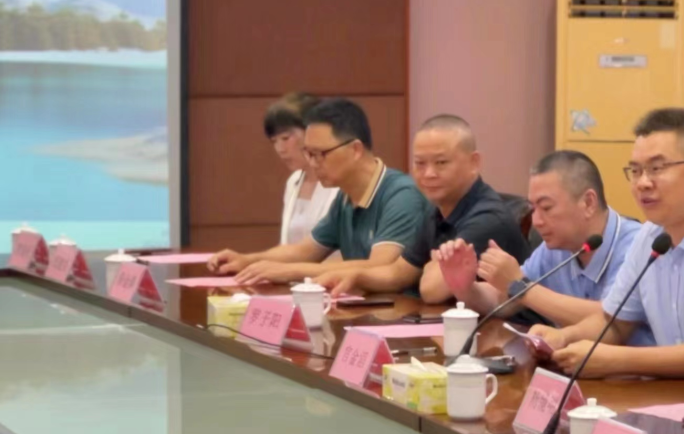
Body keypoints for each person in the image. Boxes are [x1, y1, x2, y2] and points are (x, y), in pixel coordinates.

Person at [528, 108, 684, 379]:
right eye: (635, 170)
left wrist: (616, 360)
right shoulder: (651, 235)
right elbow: (615, 323)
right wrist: (564, 337)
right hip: (683, 394)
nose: (643, 183)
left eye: (657, 168)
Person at [207, 98, 428, 284]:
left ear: (355, 150)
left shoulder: (401, 195)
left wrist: (290, 272)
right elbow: (305, 251)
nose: (312, 164)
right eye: (309, 154)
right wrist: (247, 260)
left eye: (320, 154)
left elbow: (381, 265)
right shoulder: (345, 197)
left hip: (400, 314)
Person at [316, 115, 529, 302]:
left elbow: (431, 290)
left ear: (474, 163)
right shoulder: (436, 208)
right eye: (420, 163)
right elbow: (401, 271)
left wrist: (429, 269)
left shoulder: (487, 218)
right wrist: (357, 276)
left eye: (441, 163)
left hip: (503, 331)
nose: (429, 174)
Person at [437, 150, 648, 338]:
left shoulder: (636, 246)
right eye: (533, 208)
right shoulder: (555, 248)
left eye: (546, 208)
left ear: (588, 203)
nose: (536, 221)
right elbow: (504, 301)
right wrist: (465, 288)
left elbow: (612, 320)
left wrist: (521, 287)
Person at [263, 92, 339, 245]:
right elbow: (288, 246)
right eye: (274, 141)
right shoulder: (294, 181)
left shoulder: (342, 182)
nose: (280, 149)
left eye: (285, 138)